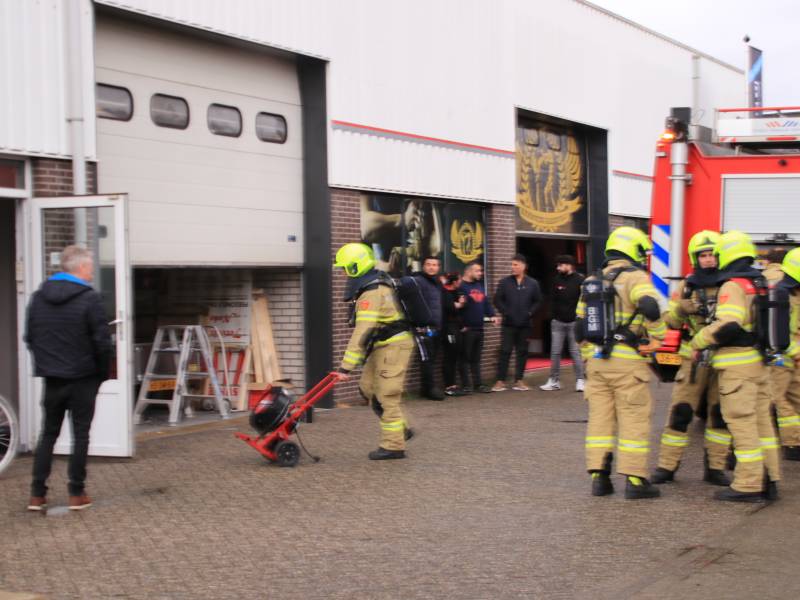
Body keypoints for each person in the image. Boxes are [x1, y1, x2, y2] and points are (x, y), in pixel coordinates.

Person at [575, 226, 666, 500]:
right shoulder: (636, 277)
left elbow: (579, 328)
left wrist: (588, 356)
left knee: (600, 422)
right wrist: (657, 339)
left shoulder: (591, 280)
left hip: (596, 363)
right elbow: (650, 306)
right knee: (633, 419)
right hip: (628, 363)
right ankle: (636, 481)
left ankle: (599, 478)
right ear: (634, 250)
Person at [689, 231, 781, 502]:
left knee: (742, 425)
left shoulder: (733, 285)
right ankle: (770, 479)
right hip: (759, 364)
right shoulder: (760, 281)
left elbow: (729, 324)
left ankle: (748, 484)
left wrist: (699, 340)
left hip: (738, 368)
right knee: (763, 425)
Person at [25, 245, 112, 511]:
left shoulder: (39, 297)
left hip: (52, 378)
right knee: (80, 434)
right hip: (83, 377)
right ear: (82, 267)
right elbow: (102, 342)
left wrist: (47, 364)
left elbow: (30, 337)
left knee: (48, 434)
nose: (91, 272)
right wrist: (101, 373)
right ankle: (77, 493)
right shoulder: (89, 298)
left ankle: (37, 494)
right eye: (90, 267)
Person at [651, 231, 732, 487]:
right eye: (703, 255)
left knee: (719, 416)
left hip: (721, 359)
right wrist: (679, 308)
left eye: (711, 255)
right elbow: (671, 323)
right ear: (694, 258)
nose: (708, 260)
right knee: (680, 413)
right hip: (693, 362)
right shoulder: (686, 286)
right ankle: (666, 467)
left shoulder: (731, 285)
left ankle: (715, 468)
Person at [332, 243, 415, 460]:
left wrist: (345, 368)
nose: (343, 273)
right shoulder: (373, 284)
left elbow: (363, 331)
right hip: (382, 345)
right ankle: (401, 428)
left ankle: (394, 446)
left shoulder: (372, 293)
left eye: (345, 268)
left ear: (355, 266)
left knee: (386, 395)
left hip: (394, 346)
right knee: (368, 388)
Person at [762, 248, 800, 461]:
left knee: (776, 398)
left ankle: (793, 442)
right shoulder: (784, 292)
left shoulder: (781, 288)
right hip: (785, 354)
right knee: (784, 398)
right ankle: (794, 442)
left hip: (785, 356)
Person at [492, 254, 542, 392]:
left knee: (522, 352)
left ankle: (519, 380)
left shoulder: (533, 283)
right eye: (512, 264)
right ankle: (500, 381)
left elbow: (538, 301)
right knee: (505, 351)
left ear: (524, 266)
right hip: (508, 324)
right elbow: (497, 300)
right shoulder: (504, 282)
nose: (512, 267)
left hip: (525, 325)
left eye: (516, 265)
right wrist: (505, 312)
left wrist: (530, 313)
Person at [540, 255, 585, 392]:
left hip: (573, 322)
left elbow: (583, 300)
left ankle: (580, 381)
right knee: (555, 352)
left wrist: (579, 318)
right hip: (558, 322)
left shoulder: (580, 280)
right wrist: (553, 316)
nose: (558, 268)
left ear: (569, 265)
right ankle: (554, 381)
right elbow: (552, 299)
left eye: (560, 265)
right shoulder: (556, 280)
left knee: (575, 352)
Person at [458, 261, 499, 393]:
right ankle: (466, 386)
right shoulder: (461, 287)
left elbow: (485, 303)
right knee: (464, 359)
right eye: (477, 271)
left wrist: (492, 315)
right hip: (467, 329)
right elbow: (456, 309)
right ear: (469, 271)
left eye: (480, 271)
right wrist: (461, 325)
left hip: (479, 328)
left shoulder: (479, 285)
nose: (480, 273)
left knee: (476, 359)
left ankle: (478, 384)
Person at [412, 256, 445, 400]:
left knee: (431, 358)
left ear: (438, 267)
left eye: (435, 265)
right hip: (423, 328)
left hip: (436, 327)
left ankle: (427, 389)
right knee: (427, 360)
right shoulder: (419, 281)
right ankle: (429, 389)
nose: (432, 267)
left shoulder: (437, 283)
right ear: (423, 266)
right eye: (429, 264)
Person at [441, 272, 467, 396]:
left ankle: (453, 384)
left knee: (455, 356)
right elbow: (450, 307)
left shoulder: (456, 292)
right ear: (455, 281)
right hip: (448, 329)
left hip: (456, 328)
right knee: (449, 356)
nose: (461, 282)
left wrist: (462, 326)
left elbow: (457, 310)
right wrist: (460, 304)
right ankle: (448, 386)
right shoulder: (444, 293)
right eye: (459, 280)